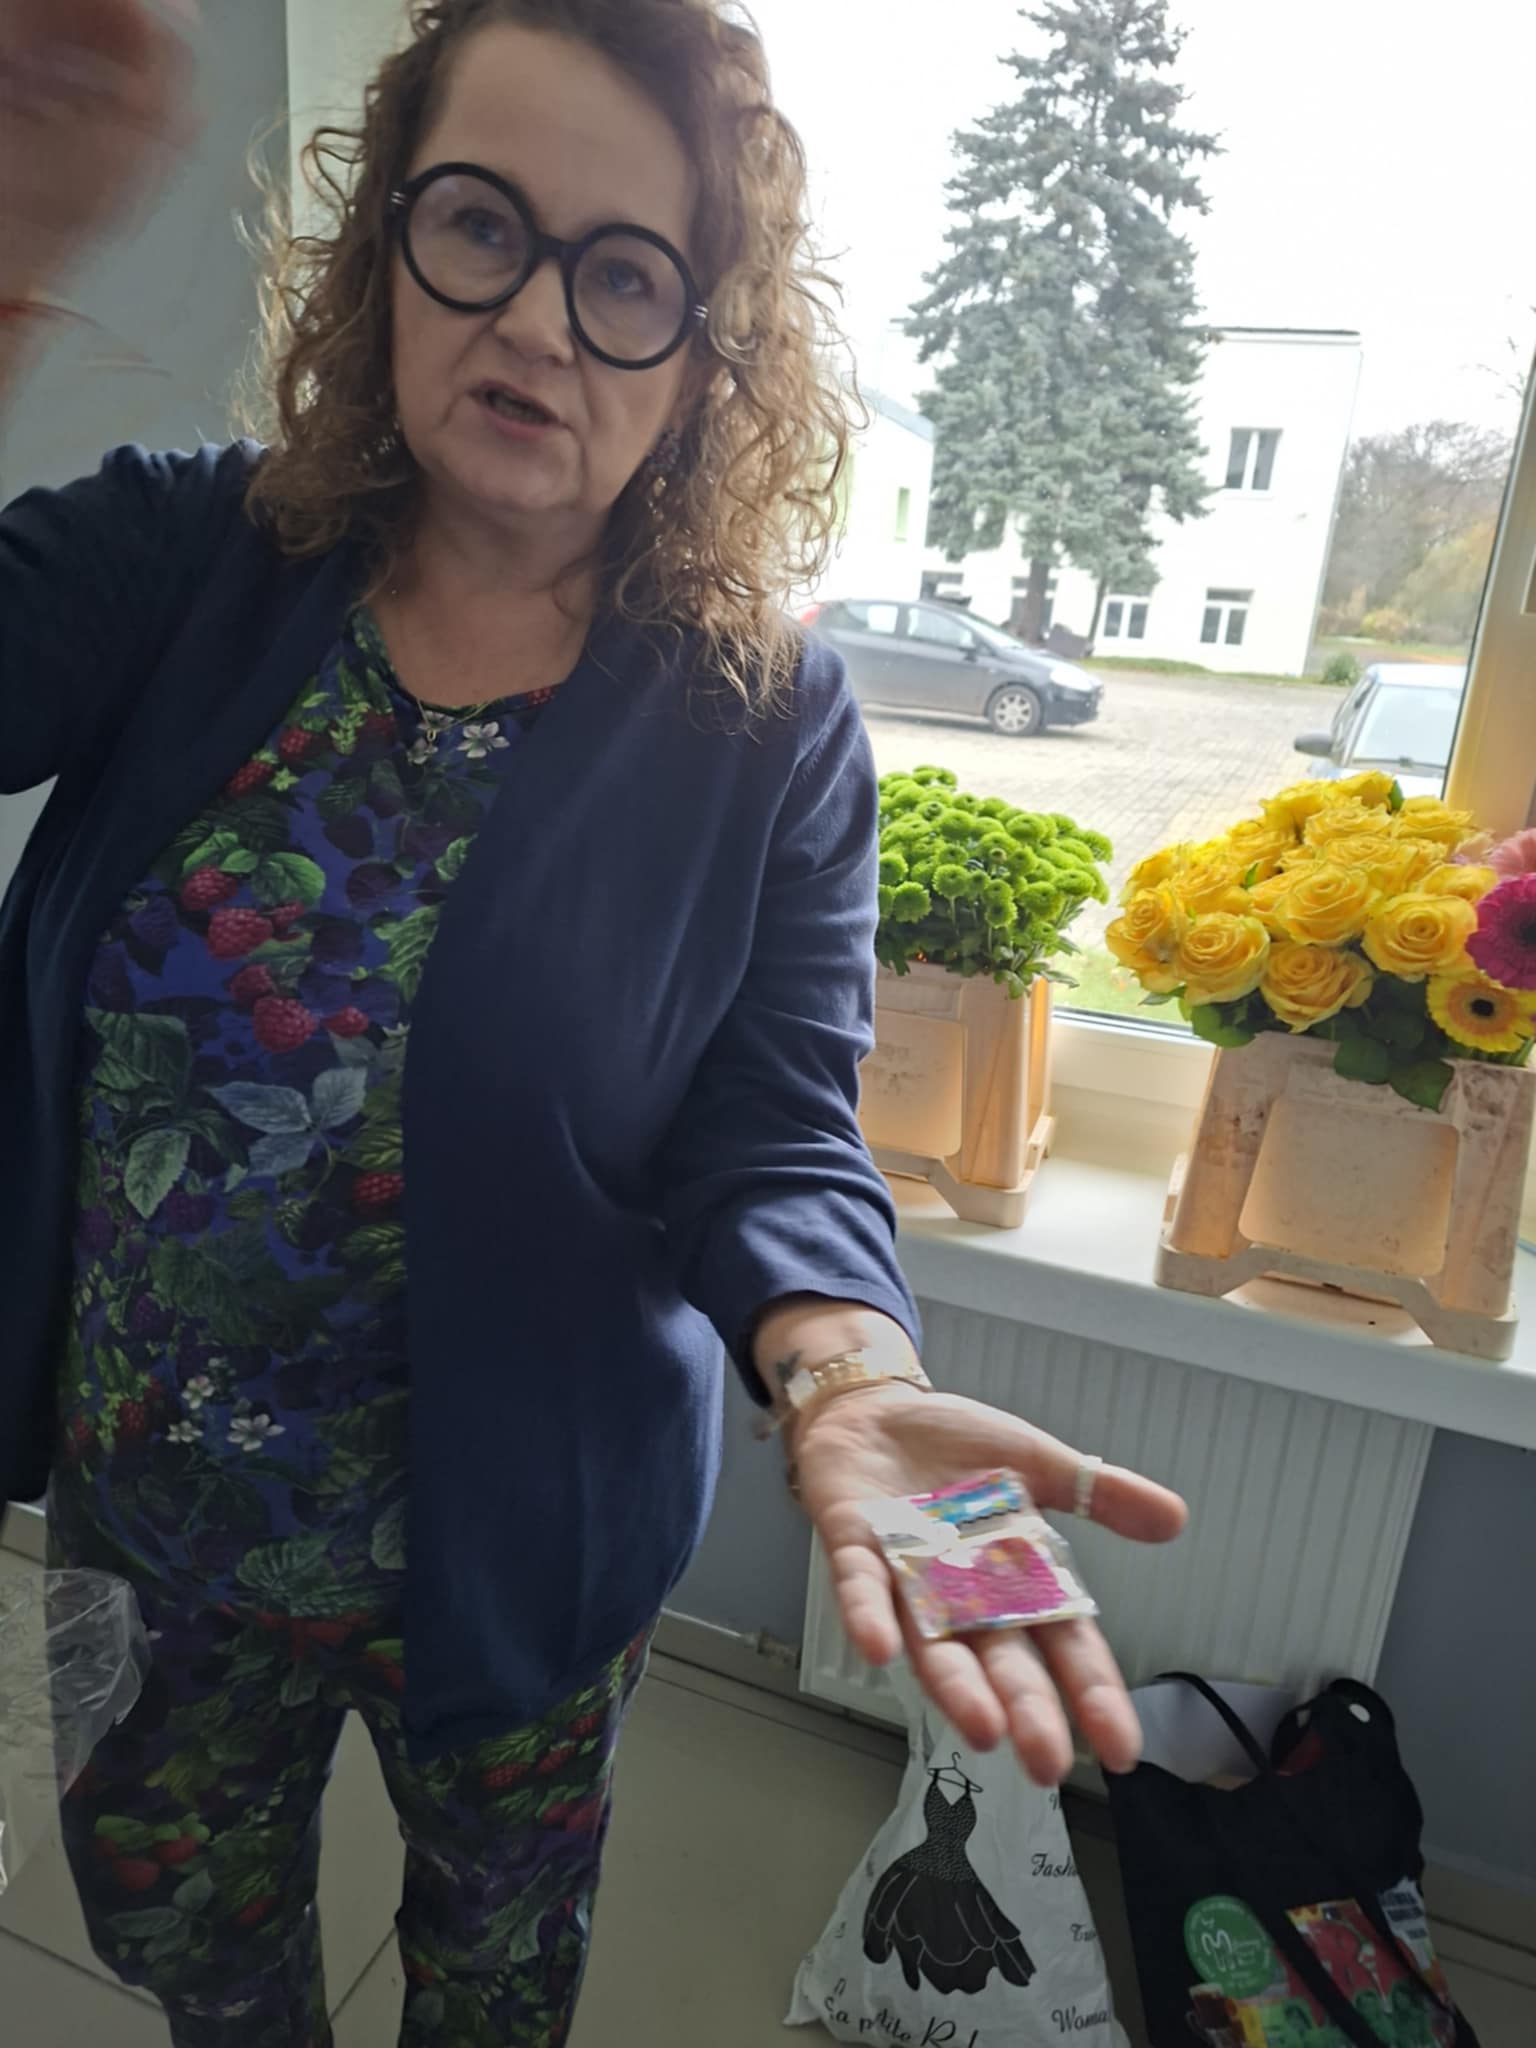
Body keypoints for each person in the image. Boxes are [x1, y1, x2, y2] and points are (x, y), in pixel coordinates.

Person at [0, 0, 1188, 2041]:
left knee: (494, 1984)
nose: (539, 323)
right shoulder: (192, 556)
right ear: (387, 244)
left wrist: (846, 1374)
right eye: (482, 225)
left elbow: (776, 1120)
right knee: (196, 1969)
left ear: (709, 355)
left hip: (525, 1557)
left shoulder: (762, 718)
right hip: (160, 1535)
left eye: (627, 276)